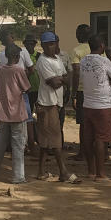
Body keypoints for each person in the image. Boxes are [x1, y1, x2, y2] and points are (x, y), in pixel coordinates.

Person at [0, 44, 32, 183]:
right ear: (17, 57)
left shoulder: (0, 69)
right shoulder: (18, 70)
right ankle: (18, 176)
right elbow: (27, 88)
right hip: (17, 113)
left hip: (4, 112)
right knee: (18, 145)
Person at [34, 31, 74, 182]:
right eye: (49, 44)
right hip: (47, 104)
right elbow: (55, 83)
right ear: (43, 46)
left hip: (56, 103)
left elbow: (66, 78)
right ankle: (63, 171)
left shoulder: (57, 59)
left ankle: (41, 171)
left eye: (54, 43)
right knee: (56, 139)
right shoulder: (43, 61)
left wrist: (62, 80)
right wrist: (62, 80)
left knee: (45, 140)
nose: (53, 46)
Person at [79, 34, 111, 181]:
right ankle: (101, 174)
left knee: (89, 139)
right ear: (102, 46)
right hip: (103, 104)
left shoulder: (83, 60)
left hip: (88, 103)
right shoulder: (104, 60)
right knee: (101, 139)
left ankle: (91, 171)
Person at [69, 24, 92, 161]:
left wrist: (73, 94)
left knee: (83, 124)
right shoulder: (98, 49)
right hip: (96, 91)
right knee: (94, 122)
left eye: (77, 33)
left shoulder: (76, 50)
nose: (76, 35)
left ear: (82, 35)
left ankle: (83, 152)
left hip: (82, 91)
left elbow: (76, 72)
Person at [25, 33, 41, 114]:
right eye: (27, 44)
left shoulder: (39, 56)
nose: (29, 46)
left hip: (38, 87)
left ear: (34, 44)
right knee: (28, 110)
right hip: (27, 87)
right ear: (24, 44)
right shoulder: (22, 56)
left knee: (39, 110)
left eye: (31, 44)